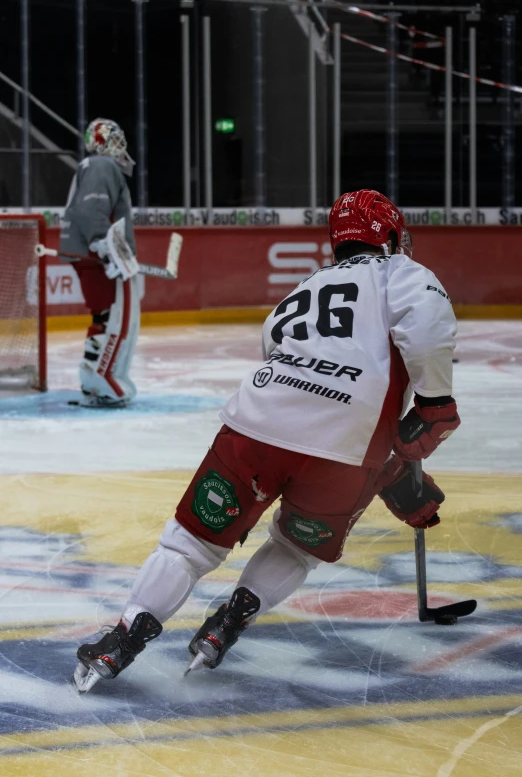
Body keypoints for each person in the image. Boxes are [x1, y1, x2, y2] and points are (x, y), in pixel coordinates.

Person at [72, 189, 461, 692]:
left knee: (189, 544)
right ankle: (230, 622)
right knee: (297, 546)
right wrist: (432, 407)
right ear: (387, 235)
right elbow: (422, 335)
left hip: (256, 424)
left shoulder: (301, 289)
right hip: (349, 449)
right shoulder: (404, 273)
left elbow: (282, 365)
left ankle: (124, 636)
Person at [60, 118, 140, 408]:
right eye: (114, 139)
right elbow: (91, 207)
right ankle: (104, 382)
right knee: (114, 319)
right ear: (101, 141)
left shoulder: (92, 166)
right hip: (98, 256)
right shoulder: (101, 165)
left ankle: (91, 380)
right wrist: (104, 245)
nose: (121, 146)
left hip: (90, 254)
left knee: (102, 317)